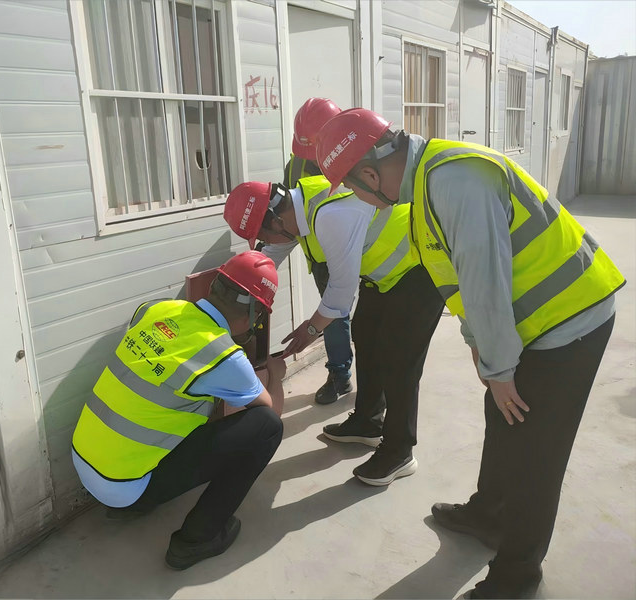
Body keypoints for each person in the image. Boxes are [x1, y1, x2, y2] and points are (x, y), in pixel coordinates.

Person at [315, 107, 626, 598]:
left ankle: (515, 577)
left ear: (370, 175)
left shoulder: (454, 180)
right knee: (502, 417)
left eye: (353, 188)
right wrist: (483, 349)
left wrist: (500, 368)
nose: (359, 199)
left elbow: (485, 282)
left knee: (535, 453)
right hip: (531, 321)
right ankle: (489, 514)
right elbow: (456, 278)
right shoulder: (426, 185)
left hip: (568, 319)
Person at [223, 164, 444, 486]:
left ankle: (400, 451)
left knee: (400, 361)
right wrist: (229, 300)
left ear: (275, 219)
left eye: (263, 234)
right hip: (382, 277)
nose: (265, 241)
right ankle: (368, 421)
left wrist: (311, 329)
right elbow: (266, 259)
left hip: (420, 270)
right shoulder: (295, 211)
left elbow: (340, 292)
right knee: (365, 337)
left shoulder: (331, 216)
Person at [71, 251, 287, 570]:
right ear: (254, 313)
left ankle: (128, 504)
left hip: (84, 462)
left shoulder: (155, 309)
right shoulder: (223, 355)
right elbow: (267, 413)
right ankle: (195, 540)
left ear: (214, 286)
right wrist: (276, 377)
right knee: (267, 427)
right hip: (126, 486)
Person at [264, 97, 354, 406]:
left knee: (373, 321)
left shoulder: (354, 159)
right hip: (322, 257)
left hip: (369, 252)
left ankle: (377, 384)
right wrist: (262, 264)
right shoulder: (295, 166)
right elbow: (288, 220)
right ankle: (339, 375)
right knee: (335, 315)